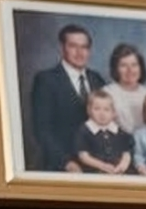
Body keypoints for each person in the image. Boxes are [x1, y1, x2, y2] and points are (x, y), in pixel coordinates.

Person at [27, 23, 102, 172]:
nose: (80, 52)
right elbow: (42, 130)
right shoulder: (46, 80)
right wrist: (66, 163)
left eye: (84, 47)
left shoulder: (97, 79)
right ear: (62, 48)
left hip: (96, 165)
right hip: (60, 166)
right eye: (73, 46)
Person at [101, 44, 146, 157]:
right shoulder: (107, 93)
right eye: (123, 65)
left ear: (141, 67)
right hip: (116, 150)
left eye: (134, 65)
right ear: (116, 69)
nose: (130, 70)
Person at [72, 91, 133, 175]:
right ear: (89, 110)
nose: (102, 113)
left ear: (113, 113)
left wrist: (122, 166)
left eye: (106, 109)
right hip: (93, 175)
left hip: (117, 174)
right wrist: (103, 166)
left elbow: (126, 153)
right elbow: (83, 156)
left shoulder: (118, 132)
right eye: (97, 109)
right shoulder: (84, 131)